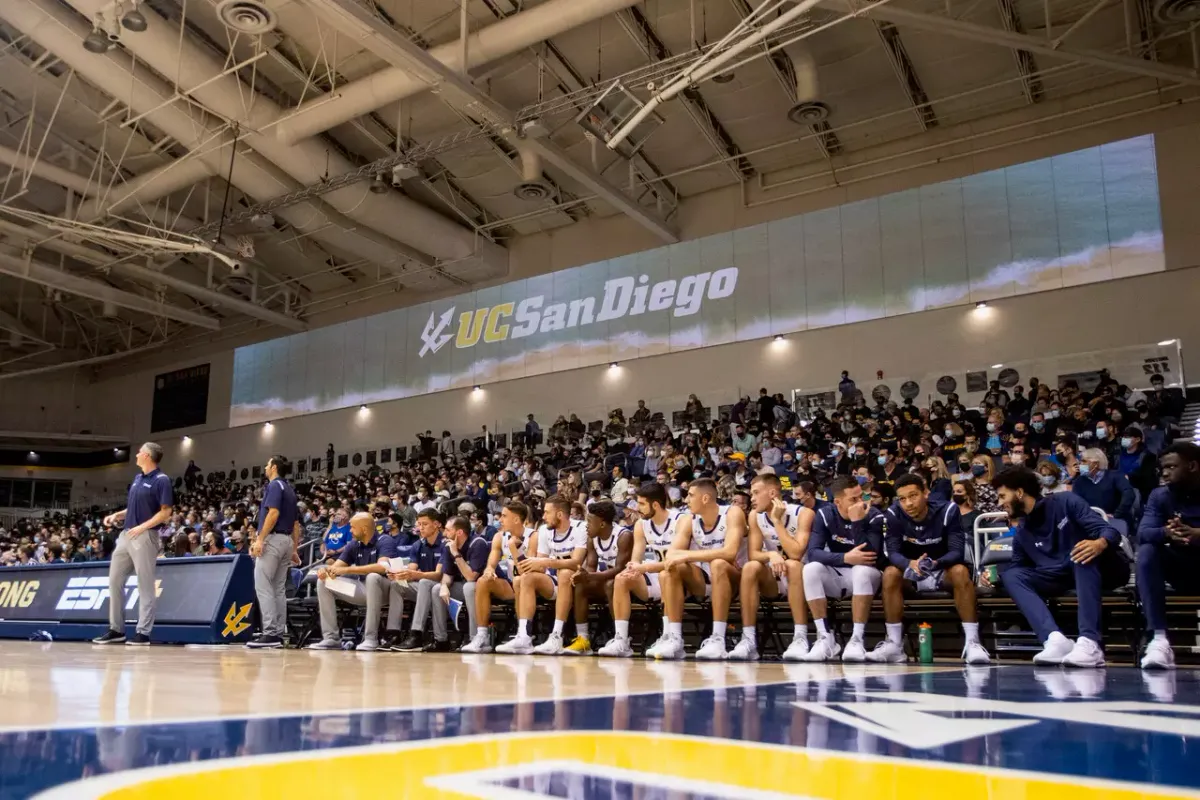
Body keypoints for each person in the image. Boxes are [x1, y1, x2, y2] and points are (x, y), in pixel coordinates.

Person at [988, 467, 1129, 667]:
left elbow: (1108, 531)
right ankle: (1054, 639)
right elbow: (1020, 568)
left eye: (1003, 496)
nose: (999, 502)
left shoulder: (1065, 501)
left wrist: (1099, 543)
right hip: (1059, 576)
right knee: (1012, 575)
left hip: (1104, 568)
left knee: (1081, 552)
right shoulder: (1021, 531)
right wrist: (994, 579)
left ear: (1019, 493)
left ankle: (1090, 643)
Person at [876, 474, 990, 664]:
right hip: (912, 574)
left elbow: (956, 552)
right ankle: (895, 645)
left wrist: (935, 563)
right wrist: (909, 564)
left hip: (941, 569)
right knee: (890, 573)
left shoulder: (948, 510)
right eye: (902, 499)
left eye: (913, 496)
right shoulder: (894, 514)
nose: (908, 503)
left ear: (926, 493)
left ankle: (972, 642)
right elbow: (893, 553)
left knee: (960, 571)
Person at [649, 478, 748, 660]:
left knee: (719, 563)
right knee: (669, 569)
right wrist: (681, 557)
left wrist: (688, 555)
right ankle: (675, 639)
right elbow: (671, 555)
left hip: (737, 581)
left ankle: (718, 638)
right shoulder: (689, 520)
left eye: (691, 495)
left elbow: (730, 553)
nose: (686, 500)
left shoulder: (732, 513)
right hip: (707, 582)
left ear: (705, 498)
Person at [92, 442, 173, 647]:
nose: (136, 454)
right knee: (114, 580)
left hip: (145, 536)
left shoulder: (162, 480)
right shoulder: (137, 479)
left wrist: (142, 527)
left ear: (146, 455)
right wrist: (116, 515)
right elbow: (135, 508)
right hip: (126, 535)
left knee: (145, 585)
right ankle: (116, 629)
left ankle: (143, 633)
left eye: (139, 452)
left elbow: (165, 512)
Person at [801, 476, 885, 662]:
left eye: (861, 497)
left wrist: (857, 523)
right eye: (853, 499)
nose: (860, 502)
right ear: (837, 502)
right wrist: (845, 557)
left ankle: (857, 639)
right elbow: (813, 553)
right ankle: (825, 638)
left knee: (861, 570)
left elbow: (870, 555)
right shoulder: (825, 514)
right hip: (840, 572)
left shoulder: (874, 515)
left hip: (869, 576)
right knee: (810, 569)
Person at [729, 473, 811, 661]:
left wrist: (776, 522)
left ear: (772, 493)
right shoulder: (754, 516)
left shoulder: (803, 514)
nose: (753, 498)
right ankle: (748, 639)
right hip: (774, 580)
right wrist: (771, 554)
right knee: (750, 567)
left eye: (756, 493)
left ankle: (800, 637)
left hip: (802, 580)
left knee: (792, 564)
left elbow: (796, 553)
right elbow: (754, 554)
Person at [496, 495, 587, 654]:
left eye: (546, 512)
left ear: (559, 515)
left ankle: (557, 636)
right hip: (557, 582)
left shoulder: (580, 528)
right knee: (525, 578)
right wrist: (517, 552)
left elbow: (576, 562)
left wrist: (546, 562)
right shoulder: (545, 530)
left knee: (565, 572)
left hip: (580, 581)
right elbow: (539, 566)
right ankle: (524, 636)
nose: (543, 517)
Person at [1136, 443, 1200, 670]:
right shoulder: (1159, 495)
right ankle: (1159, 639)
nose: (1164, 473)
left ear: (1192, 466)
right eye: (1162, 468)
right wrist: (1166, 532)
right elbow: (1142, 533)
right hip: (1181, 568)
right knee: (1147, 551)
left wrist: (1196, 535)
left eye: (1172, 466)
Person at [598, 483, 679, 657]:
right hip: (657, 576)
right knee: (622, 578)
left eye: (642, 504)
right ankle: (621, 640)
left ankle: (668, 636)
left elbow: (675, 561)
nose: (638, 508)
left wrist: (645, 567)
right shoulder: (641, 525)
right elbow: (636, 558)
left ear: (655, 505)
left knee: (667, 574)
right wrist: (633, 568)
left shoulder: (680, 520)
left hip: (680, 578)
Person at [306, 511, 402, 651]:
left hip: (385, 591)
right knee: (324, 582)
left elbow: (383, 567)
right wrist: (325, 571)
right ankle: (331, 638)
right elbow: (336, 567)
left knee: (373, 576)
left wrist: (348, 570)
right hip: (362, 589)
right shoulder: (353, 544)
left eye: (352, 527)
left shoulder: (385, 540)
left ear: (364, 529)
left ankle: (371, 638)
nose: (350, 530)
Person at [461, 501, 538, 653]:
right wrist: (489, 571)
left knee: (521, 580)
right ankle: (482, 636)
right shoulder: (498, 537)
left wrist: (513, 549)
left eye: (504, 516)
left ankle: (523, 636)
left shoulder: (533, 536)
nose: (499, 520)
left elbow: (526, 571)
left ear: (516, 519)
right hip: (512, 584)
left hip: (532, 586)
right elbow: (491, 563)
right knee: (483, 581)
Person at [564, 500, 632, 655]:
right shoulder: (592, 537)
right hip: (607, 580)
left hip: (628, 582)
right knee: (581, 585)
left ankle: (621, 639)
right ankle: (583, 639)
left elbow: (620, 569)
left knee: (611, 584)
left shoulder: (624, 535)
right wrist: (582, 575)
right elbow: (591, 566)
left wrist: (590, 575)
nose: (586, 525)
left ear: (602, 524)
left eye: (589, 521)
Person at [247, 456, 301, 650]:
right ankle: (278, 633)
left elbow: (273, 513)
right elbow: (296, 524)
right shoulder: (290, 489)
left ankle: (269, 632)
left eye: (267, 464)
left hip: (274, 538)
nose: (265, 467)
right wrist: (294, 548)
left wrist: (260, 539)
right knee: (278, 588)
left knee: (263, 584)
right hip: (286, 541)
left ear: (274, 467)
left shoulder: (274, 486)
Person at [393, 510, 450, 652]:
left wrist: (415, 574)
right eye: (419, 524)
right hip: (424, 588)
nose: (421, 528)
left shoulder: (445, 543)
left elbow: (438, 575)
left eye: (425, 524)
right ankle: (392, 633)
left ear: (436, 524)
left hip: (444, 586)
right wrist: (401, 574)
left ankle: (416, 634)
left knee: (424, 582)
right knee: (395, 585)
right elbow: (412, 568)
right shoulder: (418, 544)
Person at [434, 515, 490, 646]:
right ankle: (441, 640)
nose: (444, 533)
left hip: (485, 587)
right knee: (437, 589)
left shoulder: (478, 543)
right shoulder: (449, 546)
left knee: (469, 586)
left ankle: (475, 638)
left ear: (459, 532)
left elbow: (471, 577)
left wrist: (456, 554)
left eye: (447, 530)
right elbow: (448, 575)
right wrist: (443, 586)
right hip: (463, 586)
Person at [1071, 448, 1136, 533]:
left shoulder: (1115, 476)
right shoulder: (1079, 481)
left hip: (1115, 520)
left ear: (1096, 464)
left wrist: (1116, 514)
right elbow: (1076, 504)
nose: (1080, 465)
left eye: (1084, 461)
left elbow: (1129, 494)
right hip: (1090, 522)